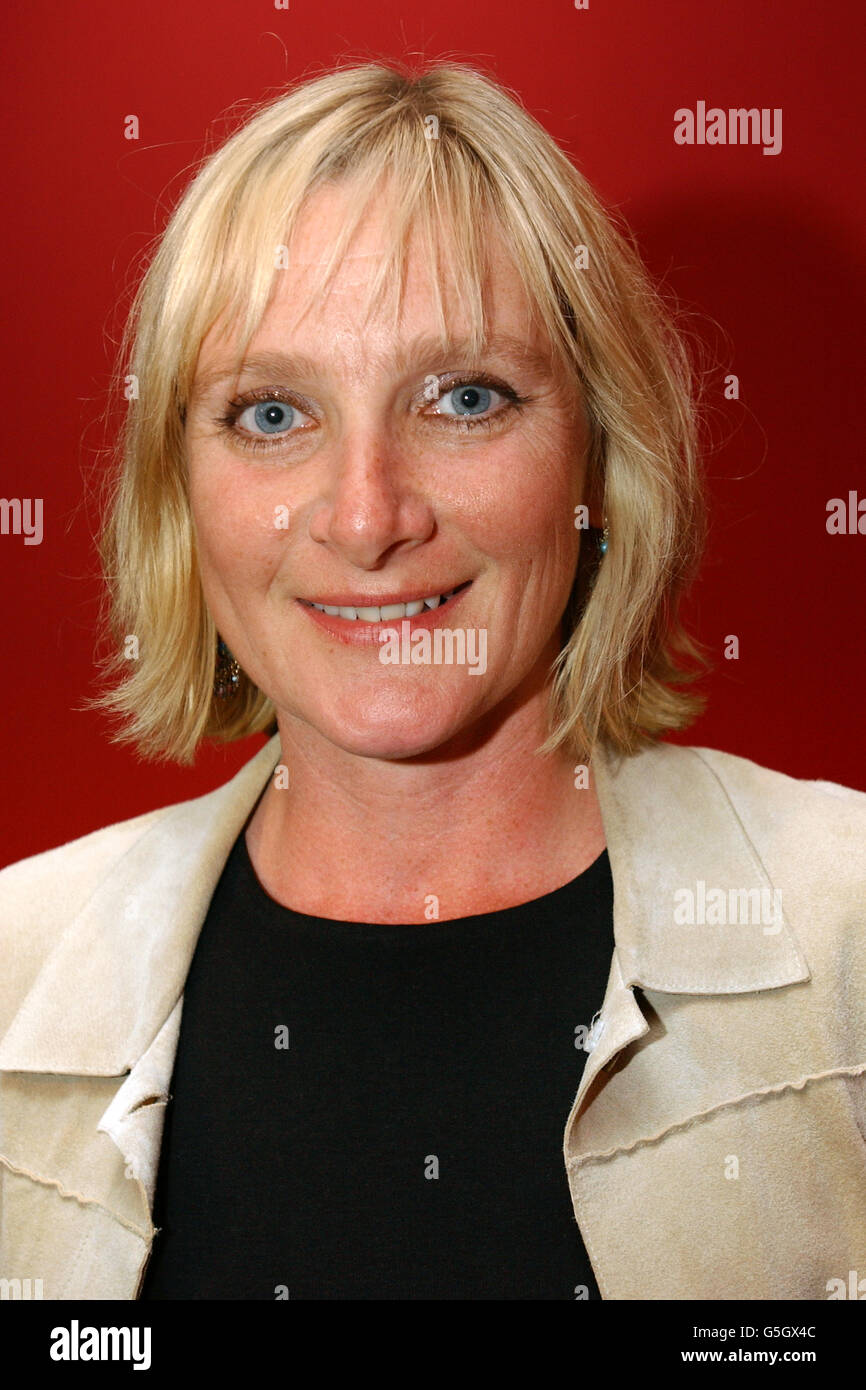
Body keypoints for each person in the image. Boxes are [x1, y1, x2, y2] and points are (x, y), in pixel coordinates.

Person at [1, 60, 864, 1302]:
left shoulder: (840, 937)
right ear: (176, 493)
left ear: (596, 453)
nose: (365, 517)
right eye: (269, 414)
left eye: (464, 398)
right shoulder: (11, 971)